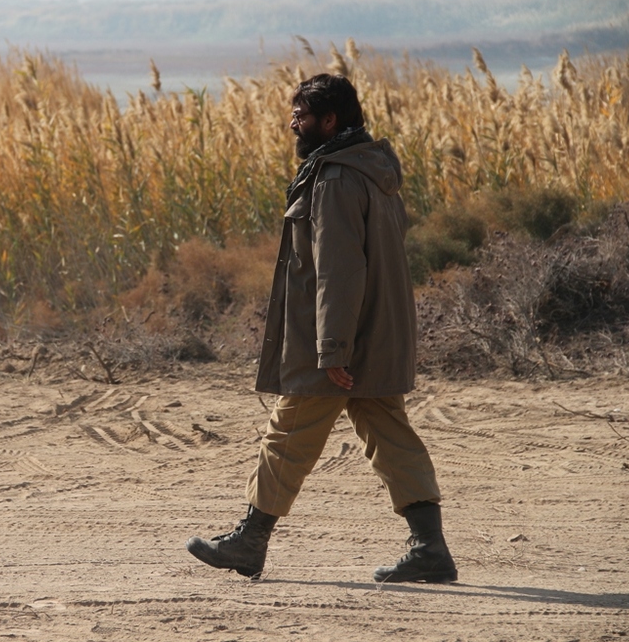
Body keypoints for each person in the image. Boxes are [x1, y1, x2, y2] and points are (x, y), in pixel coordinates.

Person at [185, 73, 457, 584]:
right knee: (391, 436)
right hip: (376, 334)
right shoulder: (372, 169)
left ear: (329, 120)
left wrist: (332, 349)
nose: (294, 123)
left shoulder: (335, 178)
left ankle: (250, 541)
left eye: (302, 116)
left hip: (342, 341)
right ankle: (430, 549)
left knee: (288, 432)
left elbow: (338, 269)